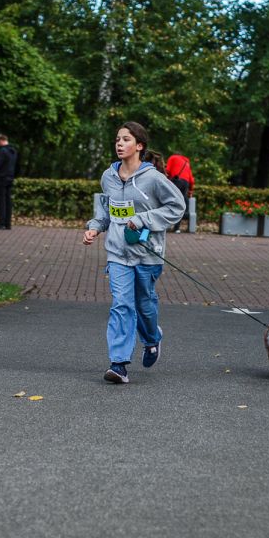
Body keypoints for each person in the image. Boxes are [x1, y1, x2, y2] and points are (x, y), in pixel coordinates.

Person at [82, 121, 186, 384]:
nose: (119, 144)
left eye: (126, 140)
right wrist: (94, 228)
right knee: (121, 305)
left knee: (144, 305)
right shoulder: (108, 176)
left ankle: (152, 339)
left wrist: (143, 219)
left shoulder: (153, 179)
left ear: (139, 146)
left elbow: (177, 207)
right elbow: (105, 212)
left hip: (147, 253)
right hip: (117, 253)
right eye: (118, 139)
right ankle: (119, 364)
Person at [165, 154, 194, 233]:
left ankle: (166, 226)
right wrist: (190, 191)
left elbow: (167, 171)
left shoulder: (172, 157)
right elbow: (191, 179)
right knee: (180, 205)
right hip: (185, 183)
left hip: (176, 182)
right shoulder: (186, 162)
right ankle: (177, 228)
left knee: (169, 202)